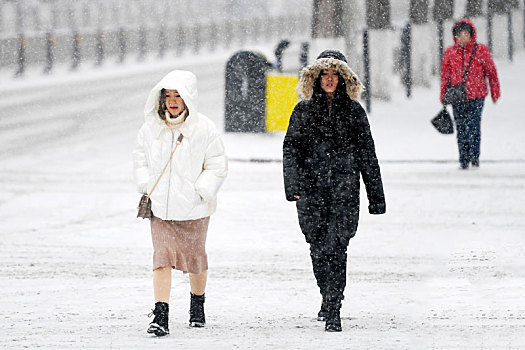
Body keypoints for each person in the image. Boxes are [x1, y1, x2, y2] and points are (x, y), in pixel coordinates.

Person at [283, 50, 386, 332]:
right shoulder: (303, 111)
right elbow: (291, 149)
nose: (329, 80)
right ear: (316, 78)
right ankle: (326, 293)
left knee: (337, 246)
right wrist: (294, 186)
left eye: (334, 75)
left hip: (344, 191)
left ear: (343, 79)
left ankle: (334, 302)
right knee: (317, 248)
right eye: (324, 75)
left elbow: (368, 154)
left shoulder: (354, 112)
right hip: (310, 192)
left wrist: (376, 197)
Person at [133, 70, 228, 336]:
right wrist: (146, 184)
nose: (173, 101)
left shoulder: (204, 128)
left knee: (195, 259)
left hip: (194, 208)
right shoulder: (150, 129)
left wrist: (202, 191)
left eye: (178, 96)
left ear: (188, 99)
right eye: (168, 96)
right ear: (161, 99)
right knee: (161, 259)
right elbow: (140, 159)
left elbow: (217, 165)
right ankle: (160, 315)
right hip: (160, 208)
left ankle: (197, 305)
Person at [440, 19, 500, 169]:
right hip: (457, 96)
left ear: (471, 35)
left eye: (466, 34)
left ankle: (475, 156)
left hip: (477, 95)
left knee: (474, 126)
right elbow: (445, 76)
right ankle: (464, 158)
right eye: (459, 35)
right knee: (461, 128)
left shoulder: (481, 51)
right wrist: (443, 95)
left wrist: (495, 91)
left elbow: (491, 72)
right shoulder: (450, 52)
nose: (462, 38)